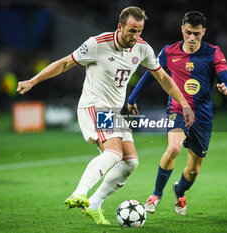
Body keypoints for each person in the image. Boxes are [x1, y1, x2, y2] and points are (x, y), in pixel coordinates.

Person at [17, 6, 194, 225]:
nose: (136, 36)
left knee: (130, 162)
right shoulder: (97, 44)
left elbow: (164, 79)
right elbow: (64, 64)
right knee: (113, 153)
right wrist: (32, 81)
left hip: (113, 111)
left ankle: (94, 204)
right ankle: (79, 193)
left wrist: (184, 103)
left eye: (140, 31)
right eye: (132, 30)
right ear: (120, 27)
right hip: (94, 106)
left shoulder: (142, 48)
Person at [127, 11, 227, 216]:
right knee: (174, 148)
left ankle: (179, 191)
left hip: (202, 116)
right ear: (182, 30)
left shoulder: (214, 53)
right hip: (178, 109)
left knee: (193, 171)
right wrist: (132, 98)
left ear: (204, 32)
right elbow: (151, 76)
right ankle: (156, 194)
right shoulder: (169, 52)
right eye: (188, 33)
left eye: (196, 33)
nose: (192, 38)